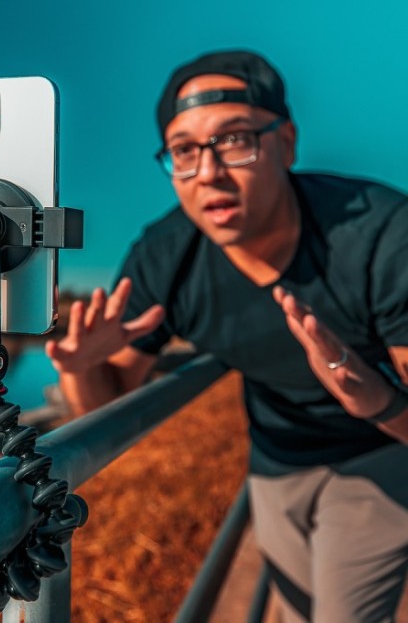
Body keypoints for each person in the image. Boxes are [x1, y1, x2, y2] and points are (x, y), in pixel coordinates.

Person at [45, 50, 408, 622]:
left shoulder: (379, 234)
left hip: (380, 449)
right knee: (294, 610)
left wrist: (377, 400)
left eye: (235, 140)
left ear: (286, 142)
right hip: (275, 459)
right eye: (184, 151)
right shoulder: (166, 258)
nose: (208, 172)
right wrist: (79, 366)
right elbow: (107, 405)